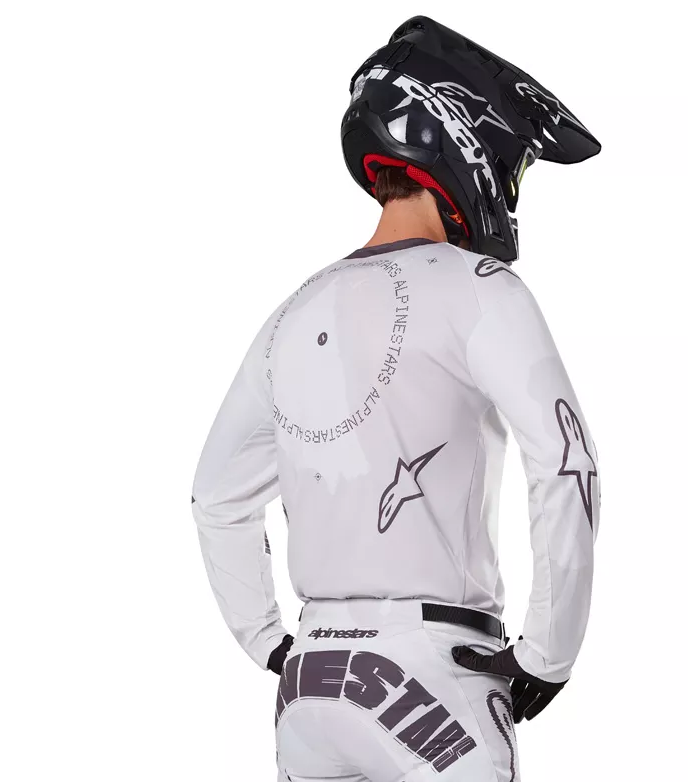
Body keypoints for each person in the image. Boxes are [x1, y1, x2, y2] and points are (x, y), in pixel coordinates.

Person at [191, 16, 601, 781]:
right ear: (467, 141)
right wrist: (550, 651)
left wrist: (269, 642)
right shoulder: (483, 290)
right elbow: (565, 462)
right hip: (433, 673)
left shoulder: (293, 310)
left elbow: (215, 496)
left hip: (309, 684)